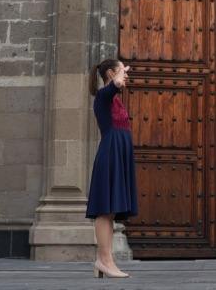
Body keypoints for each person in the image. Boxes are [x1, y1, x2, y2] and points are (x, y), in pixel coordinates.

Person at [86, 59, 138, 278]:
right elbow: (113, 87)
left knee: (110, 210)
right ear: (110, 73)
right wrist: (117, 78)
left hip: (118, 153)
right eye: (122, 71)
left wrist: (119, 75)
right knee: (104, 209)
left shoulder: (114, 98)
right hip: (110, 154)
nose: (126, 76)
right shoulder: (103, 95)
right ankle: (103, 260)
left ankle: (106, 261)